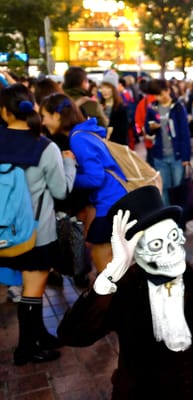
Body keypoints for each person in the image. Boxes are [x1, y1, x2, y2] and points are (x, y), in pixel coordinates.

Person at [57, 186, 193, 399]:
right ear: (136, 252)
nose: (171, 250)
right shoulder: (121, 288)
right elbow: (73, 335)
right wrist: (112, 273)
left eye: (173, 236)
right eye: (157, 244)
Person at [0, 84, 76, 365]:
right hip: (36, 232)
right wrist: (69, 165)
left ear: (5, 112)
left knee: (27, 289)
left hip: (5, 230)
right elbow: (60, 192)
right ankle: (26, 348)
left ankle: (40, 334)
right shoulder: (45, 146)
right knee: (33, 290)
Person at [39, 93, 128, 275]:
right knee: (108, 257)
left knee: (102, 259)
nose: (43, 122)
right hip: (113, 200)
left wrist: (66, 179)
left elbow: (96, 178)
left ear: (57, 116)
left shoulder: (78, 138)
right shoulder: (84, 133)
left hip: (109, 203)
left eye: (44, 116)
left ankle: (112, 300)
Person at [144, 79, 191, 205]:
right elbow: (147, 128)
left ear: (167, 91)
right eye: (155, 95)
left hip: (177, 156)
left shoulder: (178, 107)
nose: (158, 97)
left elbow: (185, 133)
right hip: (159, 155)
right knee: (164, 188)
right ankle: (169, 216)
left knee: (177, 189)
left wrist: (186, 157)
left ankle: (180, 218)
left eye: (160, 94)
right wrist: (151, 128)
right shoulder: (152, 107)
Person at [99, 71, 129, 146]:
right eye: (102, 87)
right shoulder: (98, 106)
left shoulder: (120, 108)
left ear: (114, 89)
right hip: (100, 145)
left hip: (115, 147)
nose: (104, 90)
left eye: (108, 87)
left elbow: (123, 132)